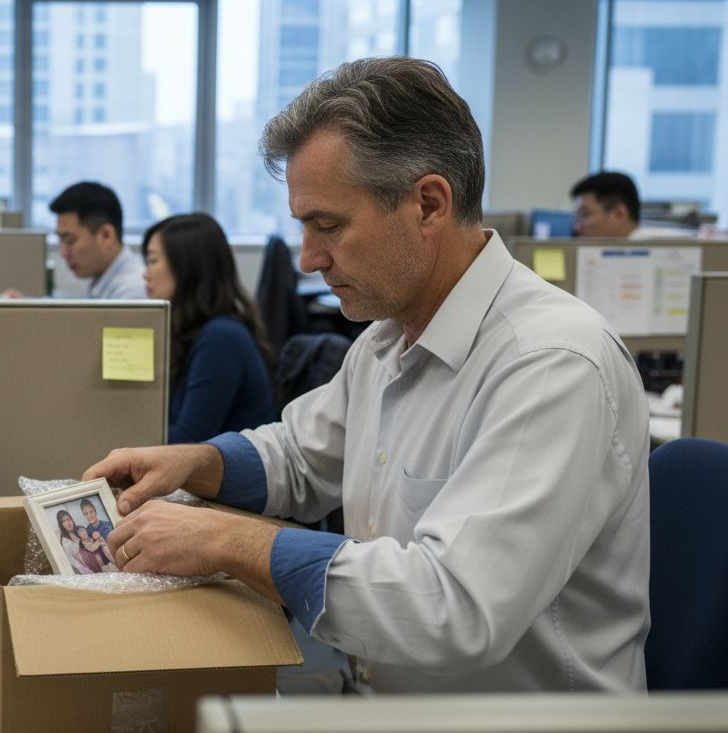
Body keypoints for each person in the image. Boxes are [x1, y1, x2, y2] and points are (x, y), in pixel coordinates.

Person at [84, 56, 650, 693]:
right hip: (383, 696)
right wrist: (194, 462)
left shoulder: (551, 364)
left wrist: (230, 541)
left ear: (429, 204)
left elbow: (453, 607)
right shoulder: (389, 336)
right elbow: (301, 456)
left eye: (329, 226)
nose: (308, 259)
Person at [143, 213, 276, 443]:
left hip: (233, 478)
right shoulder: (189, 331)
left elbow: (189, 439)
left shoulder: (221, 338)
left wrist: (119, 438)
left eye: (153, 261)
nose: (145, 274)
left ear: (186, 266)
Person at [49, 182, 145, 299]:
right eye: (61, 241)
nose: (63, 253)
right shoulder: (100, 276)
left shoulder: (132, 291)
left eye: (70, 241)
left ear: (106, 235)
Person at [55, 510, 93, 575]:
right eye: (63, 521)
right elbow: (73, 562)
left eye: (68, 519)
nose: (68, 523)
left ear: (72, 520)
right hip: (82, 569)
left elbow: (90, 541)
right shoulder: (65, 541)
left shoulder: (79, 530)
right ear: (61, 525)